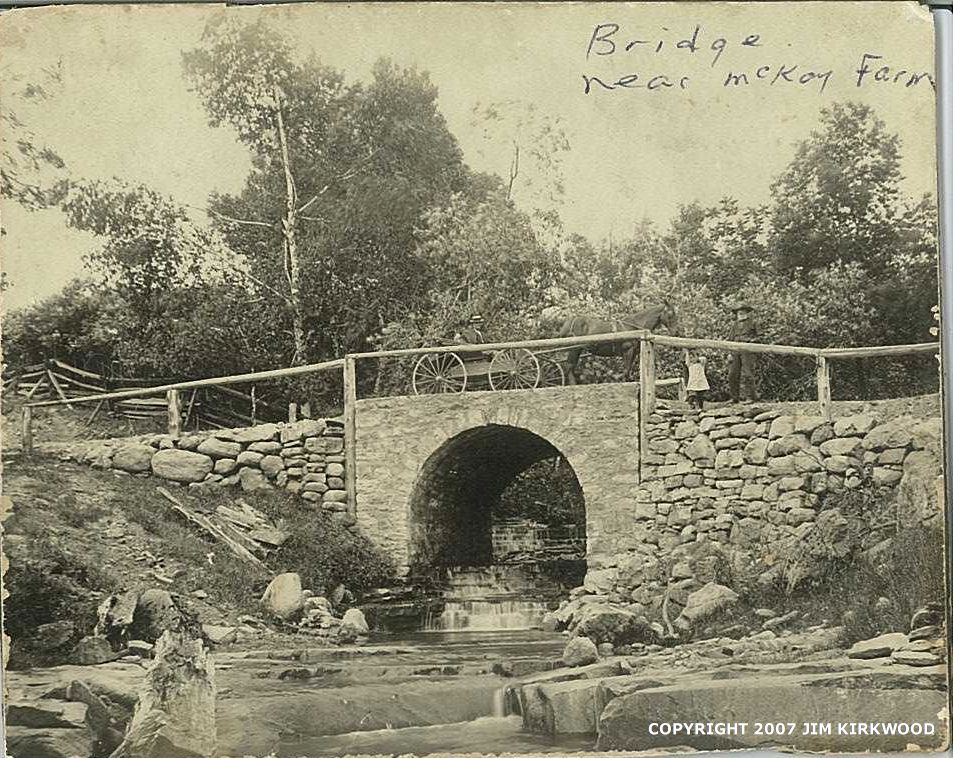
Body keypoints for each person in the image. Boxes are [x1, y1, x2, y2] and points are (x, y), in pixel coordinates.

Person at [727, 300, 759, 402]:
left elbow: (759, 338)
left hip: (747, 351)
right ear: (736, 313)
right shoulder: (734, 325)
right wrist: (729, 353)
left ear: (747, 312)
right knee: (732, 374)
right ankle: (734, 397)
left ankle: (750, 397)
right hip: (735, 351)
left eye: (743, 311)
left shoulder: (753, 323)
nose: (741, 313)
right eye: (739, 312)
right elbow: (730, 339)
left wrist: (749, 342)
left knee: (748, 374)